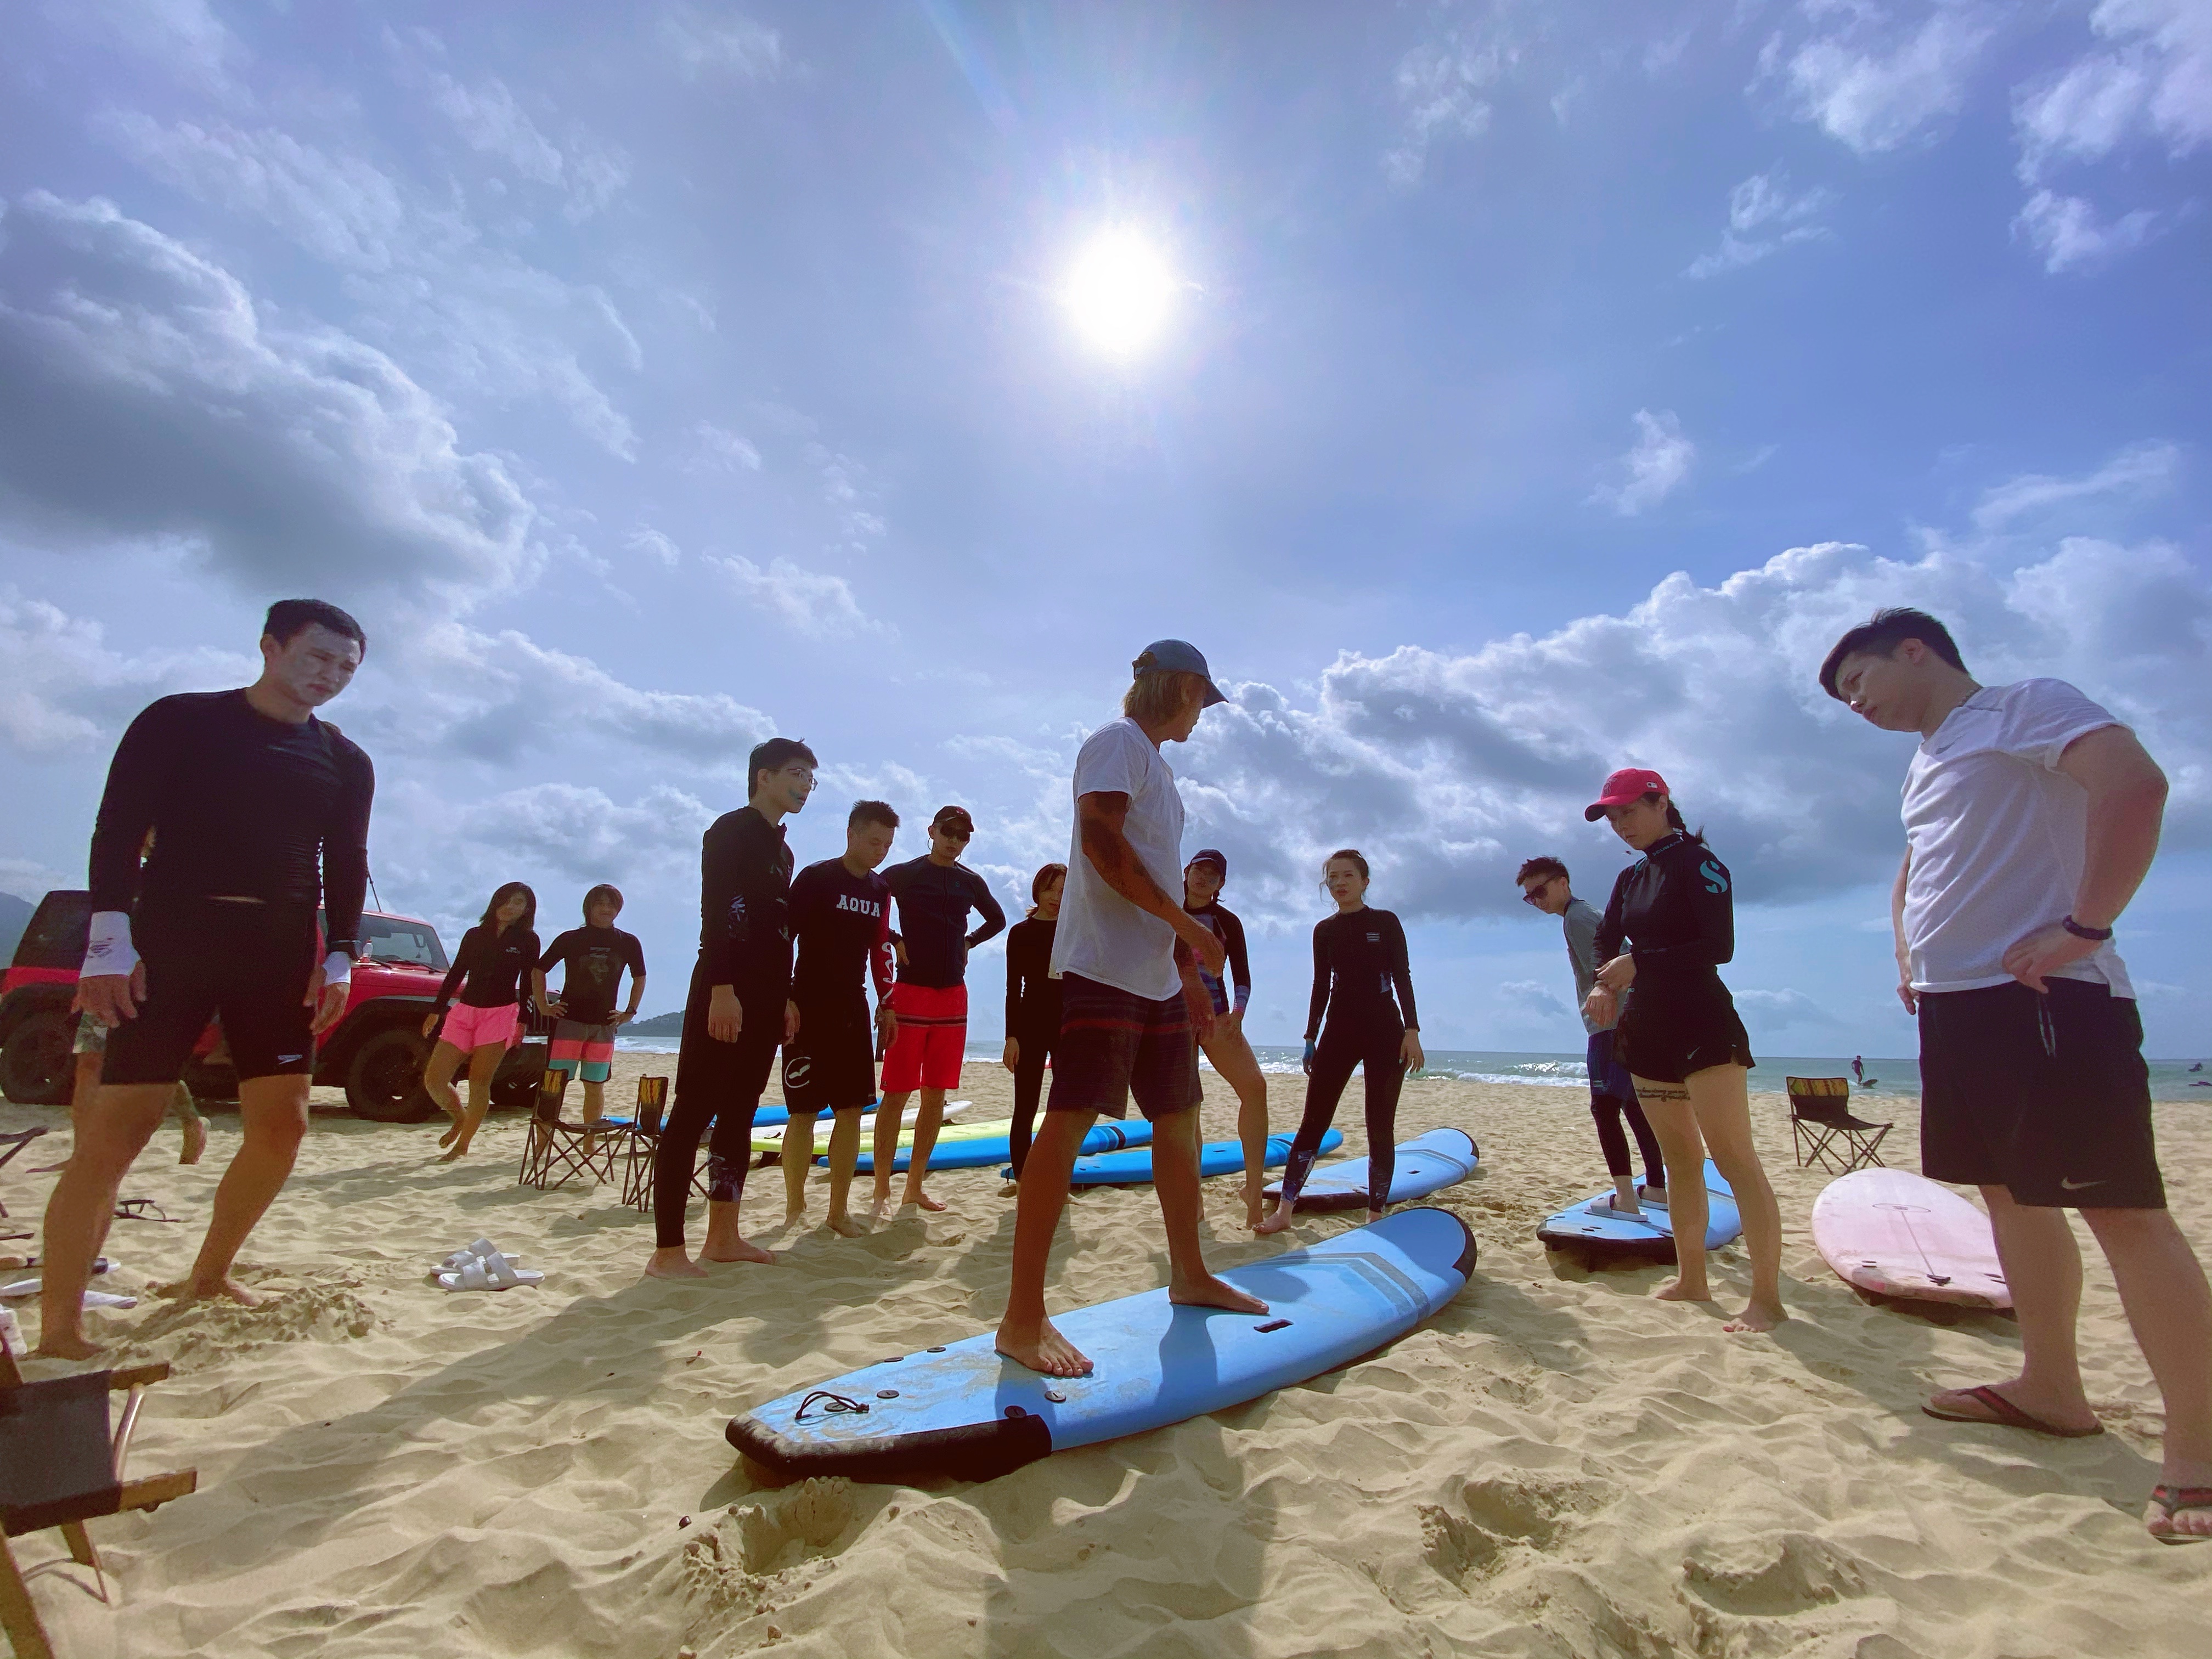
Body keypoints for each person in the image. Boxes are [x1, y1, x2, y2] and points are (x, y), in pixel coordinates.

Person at [1821, 606, 2209, 1543]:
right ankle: (2051, 1387)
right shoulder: (1929, 760)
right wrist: (1909, 956)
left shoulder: (2021, 706)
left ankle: (2198, 1451)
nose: (1854, 705)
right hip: (1958, 1010)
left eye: (1857, 681)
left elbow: (2134, 784)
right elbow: (1915, 868)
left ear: (1912, 648)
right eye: (1841, 700)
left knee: (2121, 1211)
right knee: (2008, 1199)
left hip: (2047, 999)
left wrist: (2085, 924)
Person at [39, 599, 373, 1359]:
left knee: (283, 1127)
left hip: (280, 948)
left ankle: (210, 1274)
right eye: (317, 658)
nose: (330, 678)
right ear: (270, 646)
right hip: (172, 938)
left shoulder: (345, 761)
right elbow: (118, 827)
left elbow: (347, 862)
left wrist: (341, 955)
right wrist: (110, 940)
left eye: (347, 669)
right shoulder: (180, 721)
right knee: (115, 1132)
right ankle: (61, 1327)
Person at [995, 640, 1267, 1377]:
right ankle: (1022, 1318)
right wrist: (1187, 929)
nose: (1202, 715)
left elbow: (1157, 879)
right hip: (1103, 971)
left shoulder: (1162, 772)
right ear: (1180, 686)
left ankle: (1190, 1272)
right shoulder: (1116, 743)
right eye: (1202, 701)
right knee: (1071, 1120)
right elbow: (1101, 844)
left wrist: (1181, 965)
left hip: (1153, 979)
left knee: (1180, 1122)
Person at [1582, 768, 1785, 1334]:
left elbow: (1718, 947)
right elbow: (1607, 936)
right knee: (1679, 1162)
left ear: (1662, 802)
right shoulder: (1629, 878)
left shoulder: (1700, 863)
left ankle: (1766, 1299)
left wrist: (1642, 960)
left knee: (1734, 1160)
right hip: (1646, 1028)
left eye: (1630, 812)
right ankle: (1692, 1277)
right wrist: (1603, 982)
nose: (1622, 825)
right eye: (1613, 817)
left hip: (1703, 1025)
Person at [646, 738, 813, 1278]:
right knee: (695, 1109)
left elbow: (778, 931)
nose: (806, 784)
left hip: (767, 995)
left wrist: (786, 995)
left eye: (812, 778)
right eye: (797, 773)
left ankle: (723, 1236)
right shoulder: (731, 831)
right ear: (763, 777)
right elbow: (716, 910)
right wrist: (722, 988)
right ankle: (668, 1251)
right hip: (726, 988)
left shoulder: (782, 852)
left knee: (740, 1112)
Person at [1256, 851, 1424, 1234]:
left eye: (1348, 875)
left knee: (1380, 1123)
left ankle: (1375, 1215)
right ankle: (1285, 1210)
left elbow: (1402, 976)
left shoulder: (1385, 922)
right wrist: (1311, 1035)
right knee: (1313, 1120)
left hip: (1386, 1031)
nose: (1339, 883)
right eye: (1332, 878)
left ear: (1365, 881)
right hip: (1339, 1031)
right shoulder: (1324, 930)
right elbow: (1320, 985)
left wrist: (1412, 1031)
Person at [872, 806, 1006, 1216]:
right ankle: (881, 1189)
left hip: (952, 996)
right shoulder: (904, 874)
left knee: (935, 1096)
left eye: (964, 836)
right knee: (895, 1094)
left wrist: (968, 943)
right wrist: (893, 938)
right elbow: (868, 896)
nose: (955, 841)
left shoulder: (969, 881)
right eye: (949, 832)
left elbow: (997, 920)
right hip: (910, 992)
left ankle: (914, 1187)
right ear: (932, 831)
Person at [1516, 854, 1665, 1220]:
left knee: (1604, 1109)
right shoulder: (1585, 914)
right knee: (1633, 1107)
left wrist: (1610, 1003)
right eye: (1529, 896)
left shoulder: (1577, 918)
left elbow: (1614, 967)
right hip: (1628, 1022)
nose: (1537, 900)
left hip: (1612, 1025)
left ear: (1563, 883)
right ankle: (1658, 1188)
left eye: (1540, 890)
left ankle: (1627, 1201)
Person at [778, 800, 899, 1238]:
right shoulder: (816, 879)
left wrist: (888, 1004)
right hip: (806, 1005)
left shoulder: (881, 891)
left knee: (850, 1111)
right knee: (803, 1112)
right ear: (850, 834)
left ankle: (838, 1212)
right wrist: (784, 998)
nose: (880, 851)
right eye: (873, 842)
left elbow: (881, 949)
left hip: (853, 1007)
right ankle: (794, 1205)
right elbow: (782, 939)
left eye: (887, 845)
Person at [1182, 849, 1273, 1227]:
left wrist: (1238, 1012)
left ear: (1221, 885)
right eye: (1199, 871)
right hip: (1172, 1017)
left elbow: (1243, 976)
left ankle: (1253, 1189)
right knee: (1187, 1108)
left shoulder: (1227, 921)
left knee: (1255, 1087)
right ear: (1185, 872)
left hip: (1218, 1016)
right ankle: (1192, 1198)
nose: (1204, 879)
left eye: (1213, 875)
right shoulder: (1166, 909)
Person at [420, 882, 538, 1161]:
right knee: (434, 1080)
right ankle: (460, 1117)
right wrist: (436, 1009)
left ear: (527, 910)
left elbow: (529, 982)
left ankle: (463, 1145)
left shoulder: (528, 940)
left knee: (479, 1081)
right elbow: (457, 972)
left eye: (519, 903)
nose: (511, 907)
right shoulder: (474, 935)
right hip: (465, 1012)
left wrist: (524, 1019)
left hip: (500, 1014)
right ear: (496, 901)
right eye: (507, 900)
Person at [532, 885, 646, 1133]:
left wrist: (630, 1011)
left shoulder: (628, 942)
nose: (606, 909)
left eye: (612, 905)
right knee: (555, 1084)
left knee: (595, 1085)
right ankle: (542, 1141)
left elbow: (640, 976)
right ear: (590, 908)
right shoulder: (570, 938)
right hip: (569, 1022)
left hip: (604, 1025)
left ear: (618, 909)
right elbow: (539, 969)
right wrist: (544, 1006)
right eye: (600, 904)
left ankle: (589, 1142)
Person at [1000, 863, 1067, 1190]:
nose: (1056, 897)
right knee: (1025, 1106)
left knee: (1065, 1109)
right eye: (1050, 890)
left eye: (1063, 892)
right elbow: (1014, 988)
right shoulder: (1021, 933)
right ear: (1038, 891)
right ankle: (1024, 1180)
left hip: (1068, 1025)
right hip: (1030, 1024)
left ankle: (1057, 1179)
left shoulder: (1075, 930)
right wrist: (1011, 1037)